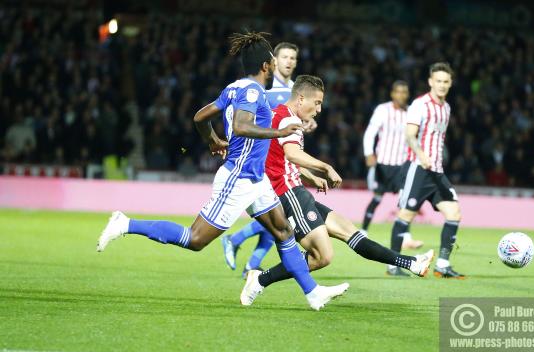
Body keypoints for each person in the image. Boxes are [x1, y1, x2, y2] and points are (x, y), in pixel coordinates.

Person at [96, 32, 348, 310]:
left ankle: (313, 294)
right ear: (267, 65)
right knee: (194, 239)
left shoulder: (235, 87)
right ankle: (125, 224)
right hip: (239, 177)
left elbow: (200, 117)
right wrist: (279, 130)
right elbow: (241, 125)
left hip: (256, 179)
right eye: (274, 60)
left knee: (284, 232)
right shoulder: (253, 91)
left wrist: (212, 140)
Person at [240, 75, 434, 306]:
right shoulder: (287, 119)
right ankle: (260, 280)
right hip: (287, 193)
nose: (319, 109)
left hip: (295, 189)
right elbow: (292, 154)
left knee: (349, 231)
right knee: (323, 256)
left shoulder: (279, 115)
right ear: (301, 98)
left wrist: (310, 176)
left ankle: (410, 263)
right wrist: (326, 167)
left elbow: (278, 160)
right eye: (318, 102)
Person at [221, 42, 316, 277]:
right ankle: (237, 242)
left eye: (293, 57)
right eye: (284, 57)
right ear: (274, 61)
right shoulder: (265, 89)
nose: (289, 61)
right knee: (278, 217)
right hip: (264, 158)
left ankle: (250, 262)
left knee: (277, 218)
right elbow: (251, 118)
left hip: (284, 158)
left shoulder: (296, 90)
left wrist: (307, 122)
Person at [393, 62, 465, 278]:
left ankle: (442, 264)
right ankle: (393, 265)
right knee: (405, 216)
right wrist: (421, 154)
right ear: (430, 82)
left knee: (454, 213)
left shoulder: (447, 108)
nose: (442, 85)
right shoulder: (420, 105)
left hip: (437, 171)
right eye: (438, 81)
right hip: (419, 168)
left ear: (450, 83)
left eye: (446, 81)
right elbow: (409, 135)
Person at [361, 81, 424, 276]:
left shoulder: (410, 113)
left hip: (402, 165)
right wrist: (368, 153)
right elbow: (370, 132)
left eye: (404, 92)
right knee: (378, 197)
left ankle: (406, 235)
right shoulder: (382, 110)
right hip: (383, 163)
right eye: (398, 91)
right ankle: (363, 230)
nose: (401, 95)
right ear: (392, 93)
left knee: (405, 202)